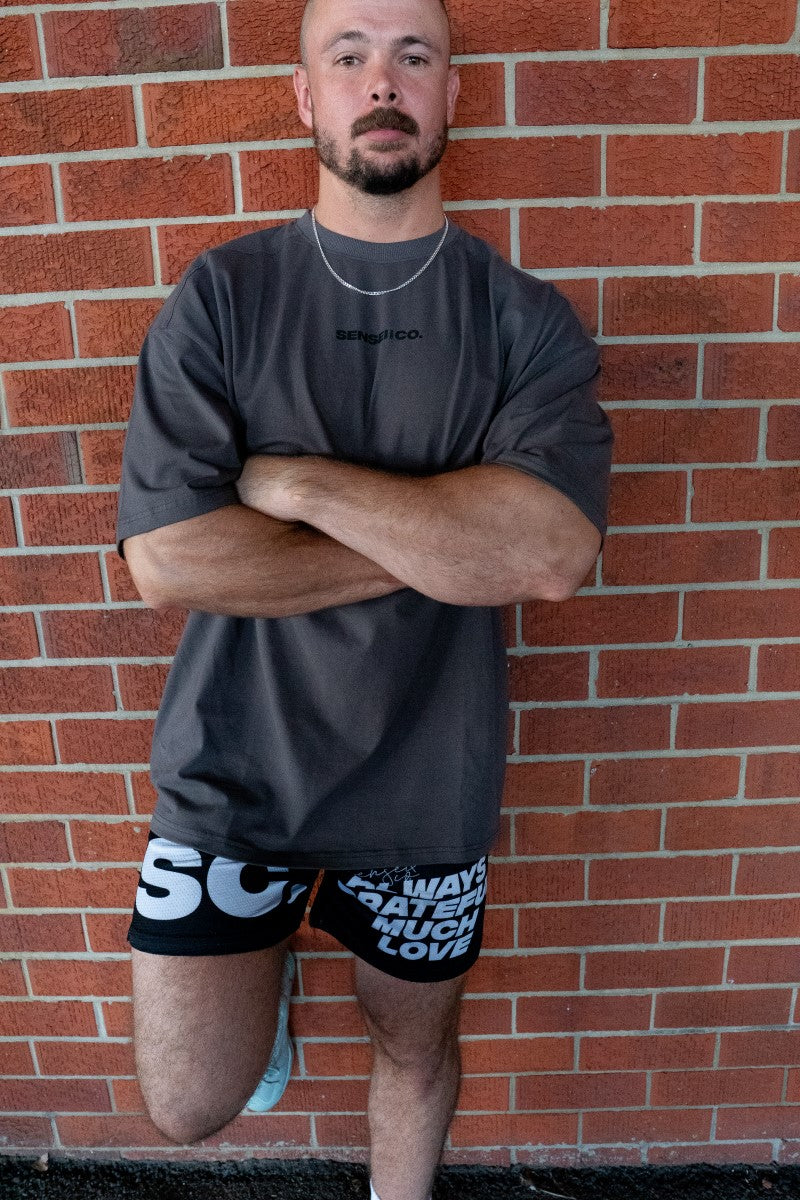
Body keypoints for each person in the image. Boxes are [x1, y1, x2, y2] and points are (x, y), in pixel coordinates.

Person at [115, 0, 613, 1196]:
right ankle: (272, 964)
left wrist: (293, 485)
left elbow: (548, 556)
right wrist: (453, 540)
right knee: (185, 1104)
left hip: (428, 778)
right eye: (348, 56)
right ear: (305, 95)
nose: (380, 81)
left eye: (411, 56)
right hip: (235, 766)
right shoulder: (224, 296)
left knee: (413, 1044)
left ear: (450, 94)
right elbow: (170, 562)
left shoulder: (521, 319)